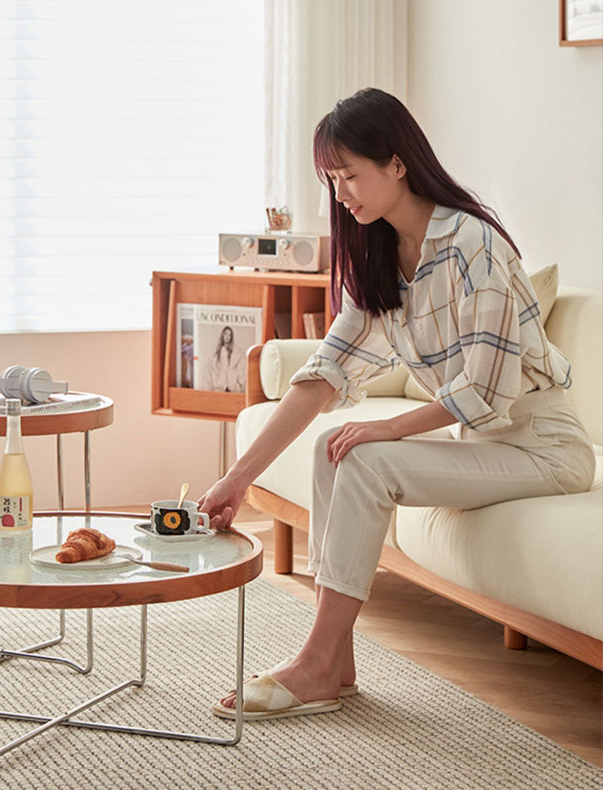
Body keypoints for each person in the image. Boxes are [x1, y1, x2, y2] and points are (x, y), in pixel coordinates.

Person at [198, 87, 595, 721]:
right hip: (486, 447)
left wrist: (391, 430)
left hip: (544, 448)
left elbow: (488, 388)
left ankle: (319, 663)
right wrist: (237, 478)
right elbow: (323, 374)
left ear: (397, 163)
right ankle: (336, 660)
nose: (340, 194)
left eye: (350, 174)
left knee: (365, 454)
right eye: (332, 179)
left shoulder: (474, 244)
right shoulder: (382, 255)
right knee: (340, 444)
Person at [208, 325, 246, 392]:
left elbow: (242, 367)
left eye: (229, 335)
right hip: (220, 385)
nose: (227, 336)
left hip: (232, 385)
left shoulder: (237, 351)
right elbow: (213, 367)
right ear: (222, 335)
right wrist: (216, 380)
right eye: (226, 334)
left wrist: (239, 382)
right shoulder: (217, 351)